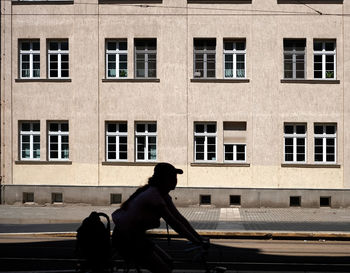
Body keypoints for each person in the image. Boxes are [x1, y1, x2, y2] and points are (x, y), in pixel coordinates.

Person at [112, 162, 207, 273]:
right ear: (163, 179)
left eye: (175, 177)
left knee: (168, 263)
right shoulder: (154, 196)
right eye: (172, 177)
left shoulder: (163, 194)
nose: (175, 180)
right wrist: (196, 241)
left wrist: (199, 239)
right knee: (163, 270)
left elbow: (180, 218)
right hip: (126, 239)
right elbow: (174, 223)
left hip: (135, 236)